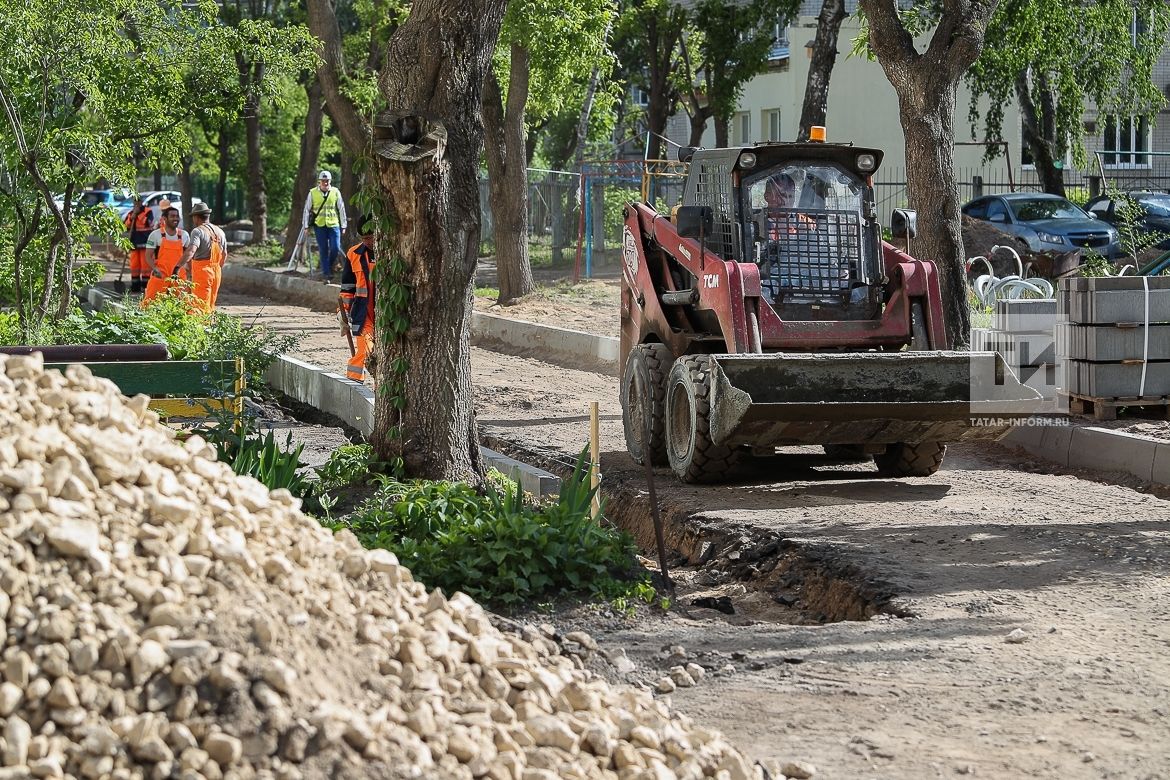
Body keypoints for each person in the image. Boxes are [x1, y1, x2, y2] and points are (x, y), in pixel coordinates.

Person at [344, 218, 375, 382]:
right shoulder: (353, 254)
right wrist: (342, 314)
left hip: (388, 315)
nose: (368, 242)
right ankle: (353, 382)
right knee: (366, 349)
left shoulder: (392, 252)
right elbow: (348, 287)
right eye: (364, 238)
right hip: (364, 314)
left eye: (371, 237)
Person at [302, 170, 348, 282]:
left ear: (330, 181)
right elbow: (307, 210)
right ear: (319, 181)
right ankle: (327, 274)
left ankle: (328, 266)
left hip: (334, 224)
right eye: (323, 181)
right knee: (323, 249)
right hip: (320, 225)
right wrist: (306, 226)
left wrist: (344, 225)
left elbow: (341, 208)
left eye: (327, 181)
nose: (325, 183)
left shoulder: (336, 192)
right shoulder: (312, 192)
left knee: (335, 248)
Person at [182, 202, 228, 312]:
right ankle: (208, 326)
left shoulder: (197, 231)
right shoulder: (220, 232)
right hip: (216, 271)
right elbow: (224, 254)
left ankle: (200, 327)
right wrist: (217, 268)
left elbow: (192, 250)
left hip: (203, 271)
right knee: (211, 302)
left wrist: (179, 265)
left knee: (199, 304)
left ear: (196, 217)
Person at [142, 207, 190, 307]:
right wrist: (155, 269)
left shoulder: (184, 235)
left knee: (183, 304)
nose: (175, 218)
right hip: (160, 274)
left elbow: (189, 255)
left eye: (177, 216)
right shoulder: (155, 235)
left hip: (178, 275)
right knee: (151, 302)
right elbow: (147, 256)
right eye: (172, 216)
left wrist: (191, 272)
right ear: (164, 218)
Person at [123, 196, 154, 293]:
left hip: (145, 241)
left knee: (145, 266)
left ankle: (145, 286)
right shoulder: (131, 213)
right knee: (134, 265)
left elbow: (148, 222)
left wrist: (138, 215)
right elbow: (126, 225)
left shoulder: (148, 211)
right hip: (134, 242)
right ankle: (135, 286)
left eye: (138, 201)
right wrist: (132, 217)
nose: (136, 203)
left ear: (141, 202)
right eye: (135, 202)